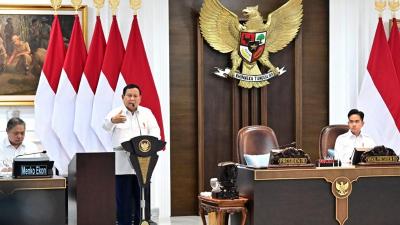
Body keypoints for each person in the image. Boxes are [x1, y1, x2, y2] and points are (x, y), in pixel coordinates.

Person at [103, 84, 160, 225]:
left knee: (142, 201)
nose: (132, 98)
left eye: (135, 96)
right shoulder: (116, 113)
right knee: (124, 202)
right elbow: (105, 126)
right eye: (129, 96)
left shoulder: (147, 113)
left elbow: (155, 132)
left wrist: (150, 146)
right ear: (123, 97)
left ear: (140, 98)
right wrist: (112, 121)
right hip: (122, 166)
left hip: (143, 166)